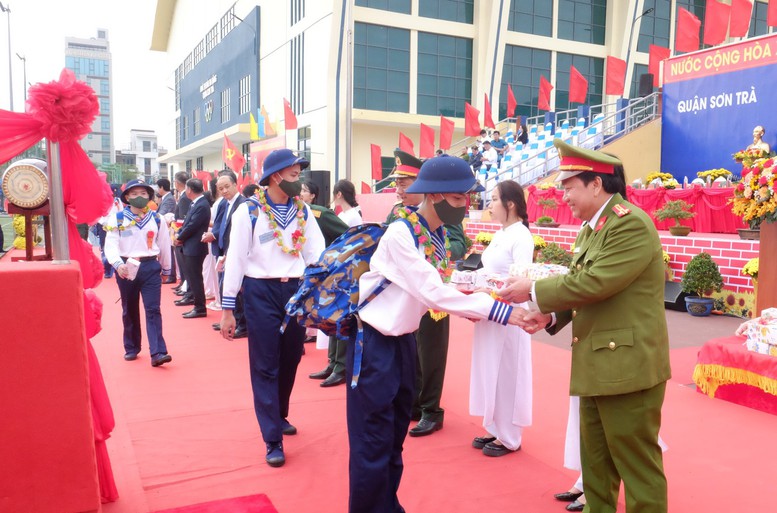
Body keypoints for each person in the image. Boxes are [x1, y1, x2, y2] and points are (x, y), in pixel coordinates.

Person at [499, 139, 671, 513]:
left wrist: (533, 291)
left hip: (628, 368)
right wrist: (550, 315)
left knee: (637, 468)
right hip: (599, 363)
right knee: (596, 466)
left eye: (569, 186)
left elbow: (596, 283)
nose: (564, 196)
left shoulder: (630, 225)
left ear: (597, 184)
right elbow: (588, 288)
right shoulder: (592, 229)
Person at [348, 155, 526, 513]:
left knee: (394, 439)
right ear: (435, 196)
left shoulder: (436, 234)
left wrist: (480, 300)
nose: (465, 206)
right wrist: (504, 312)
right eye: (459, 199)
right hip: (376, 347)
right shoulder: (401, 233)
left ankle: (387, 504)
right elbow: (433, 292)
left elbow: (446, 284)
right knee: (372, 444)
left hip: (402, 345)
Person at [220, 148, 325, 468]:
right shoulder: (248, 212)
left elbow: (316, 254)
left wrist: (318, 293)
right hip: (260, 291)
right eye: (295, 175)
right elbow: (235, 259)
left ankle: (279, 415)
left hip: (293, 290)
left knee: (292, 356)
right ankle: (272, 438)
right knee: (265, 362)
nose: (300, 181)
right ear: (276, 176)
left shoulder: (303, 212)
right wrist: (227, 309)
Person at [385, 150, 469, 438]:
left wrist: (436, 257)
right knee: (413, 352)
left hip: (436, 288)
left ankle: (432, 410)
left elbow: (458, 243)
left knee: (431, 352)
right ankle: (415, 404)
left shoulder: (444, 211)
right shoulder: (397, 217)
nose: (399, 188)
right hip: (408, 295)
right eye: (397, 183)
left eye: (404, 182)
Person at [469, 180, 533, 457]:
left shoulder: (521, 236)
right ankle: (494, 425)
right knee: (489, 368)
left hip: (508, 313)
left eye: (494, 199)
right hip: (490, 312)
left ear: (510, 204)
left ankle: (510, 436)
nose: (490, 205)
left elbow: (520, 280)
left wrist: (489, 290)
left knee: (507, 371)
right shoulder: (500, 233)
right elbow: (487, 271)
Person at [103, 179, 173, 367]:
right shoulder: (117, 219)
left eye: (143, 194)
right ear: (126, 197)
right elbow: (110, 245)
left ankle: (158, 352)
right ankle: (132, 347)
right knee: (129, 308)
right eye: (134, 194)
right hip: (126, 268)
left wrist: (166, 269)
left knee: (153, 309)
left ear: (149, 196)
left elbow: (164, 245)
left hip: (150, 267)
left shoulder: (157, 219)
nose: (139, 197)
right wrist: (118, 265)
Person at [301, 180, 351, 387]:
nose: (300, 194)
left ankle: (341, 367)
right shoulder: (290, 213)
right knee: (327, 319)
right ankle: (332, 363)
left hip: (336, 272)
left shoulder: (319, 213)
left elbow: (348, 234)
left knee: (339, 317)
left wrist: (335, 257)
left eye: (303, 191)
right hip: (318, 274)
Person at [204, 170, 247, 337]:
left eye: (227, 187)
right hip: (222, 251)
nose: (224, 191)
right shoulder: (223, 203)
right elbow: (220, 225)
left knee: (238, 290)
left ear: (236, 185)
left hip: (235, 252)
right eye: (220, 188)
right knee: (226, 288)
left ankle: (242, 325)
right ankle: (231, 319)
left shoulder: (243, 204)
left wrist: (231, 252)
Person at [173, 178, 210, 319]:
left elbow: (192, 226)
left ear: (189, 189)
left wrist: (179, 237)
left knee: (195, 278)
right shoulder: (196, 203)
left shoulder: (201, 204)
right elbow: (188, 223)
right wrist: (180, 234)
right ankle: (196, 303)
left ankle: (200, 307)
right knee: (192, 277)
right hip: (190, 246)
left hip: (195, 247)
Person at [172, 172, 192, 295]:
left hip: (182, 233)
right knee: (181, 262)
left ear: (178, 183)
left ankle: (185, 285)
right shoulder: (182, 196)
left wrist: (179, 234)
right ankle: (183, 284)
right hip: (179, 231)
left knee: (184, 263)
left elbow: (183, 219)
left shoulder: (185, 197)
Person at [156, 178, 178, 284]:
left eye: (157, 187)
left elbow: (162, 213)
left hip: (169, 229)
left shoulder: (168, 199)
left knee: (169, 252)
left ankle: (171, 275)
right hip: (166, 228)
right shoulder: (166, 198)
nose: (157, 189)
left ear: (161, 187)